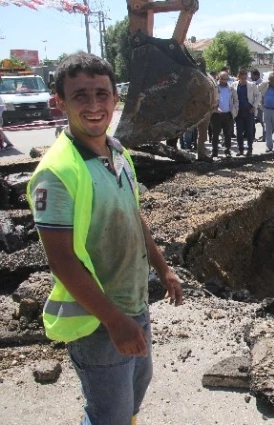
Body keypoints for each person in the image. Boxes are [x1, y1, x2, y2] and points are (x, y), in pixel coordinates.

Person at [25, 52, 183, 425]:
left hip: (134, 303)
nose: (94, 105)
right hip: (96, 319)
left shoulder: (118, 153)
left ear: (116, 98)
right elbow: (62, 261)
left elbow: (134, 216)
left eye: (102, 94)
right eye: (80, 96)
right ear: (60, 102)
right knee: (107, 413)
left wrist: (163, 269)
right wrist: (114, 321)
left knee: (134, 394)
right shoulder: (57, 173)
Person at [231, 69, 260, 156]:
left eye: (245, 78)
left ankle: (249, 149)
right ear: (239, 77)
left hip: (249, 111)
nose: (243, 79)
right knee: (239, 132)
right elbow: (231, 98)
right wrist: (232, 109)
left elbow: (258, 96)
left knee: (249, 131)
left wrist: (254, 106)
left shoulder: (252, 85)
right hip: (239, 111)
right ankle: (240, 149)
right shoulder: (233, 85)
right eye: (242, 78)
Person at [210, 71, 238, 157]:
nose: (223, 80)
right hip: (216, 115)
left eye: (225, 79)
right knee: (215, 134)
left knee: (228, 134)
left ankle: (227, 151)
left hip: (228, 114)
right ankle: (214, 152)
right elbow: (210, 99)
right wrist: (214, 109)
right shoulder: (214, 88)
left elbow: (235, 100)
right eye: (222, 78)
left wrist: (234, 110)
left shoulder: (231, 88)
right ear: (218, 78)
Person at [249, 69, 264, 140]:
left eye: (251, 75)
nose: (250, 77)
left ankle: (265, 136)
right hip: (254, 105)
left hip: (260, 106)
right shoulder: (253, 83)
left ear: (256, 76)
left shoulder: (262, 83)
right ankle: (252, 137)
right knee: (252, 122)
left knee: (263, 122)